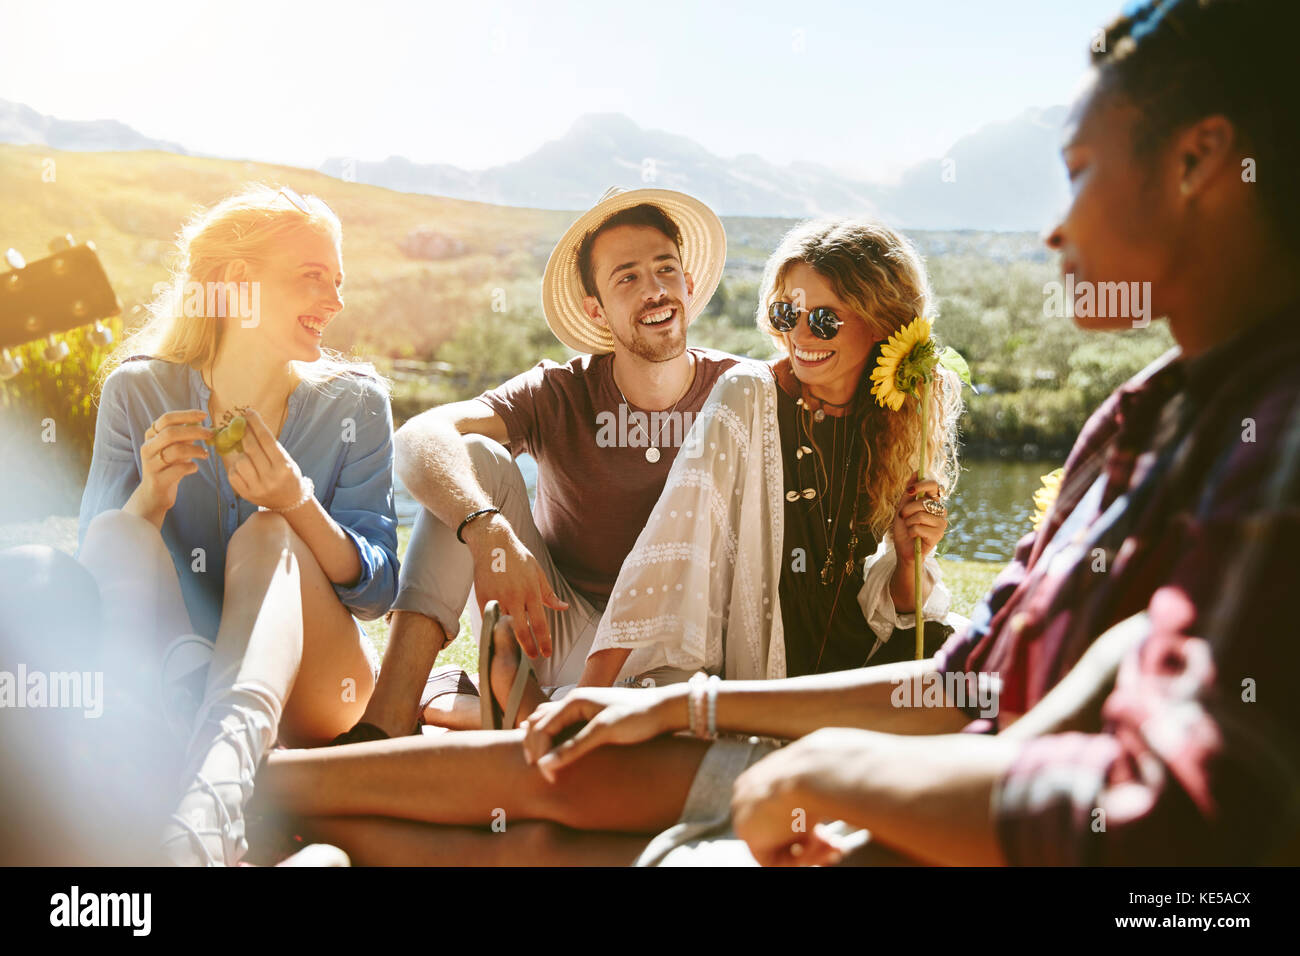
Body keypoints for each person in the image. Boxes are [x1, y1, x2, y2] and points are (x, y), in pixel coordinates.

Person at [256, 0, 1298, 866]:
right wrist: (523, 553)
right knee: (537, 714)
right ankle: (271, 786)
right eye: (783, 318)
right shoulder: (1133, 427)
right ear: (599, 304)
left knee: (549, 826)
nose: (1054, 227)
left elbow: (1175, 800)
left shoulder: (1264, 440)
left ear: (1202, 162)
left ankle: (258, 803)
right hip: (606, 655)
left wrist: (815, 756)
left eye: (1076, 170)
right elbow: (976, 678)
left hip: (869, 766)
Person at [77, 183, 399, 866]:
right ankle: (186, 791)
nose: (335, 303)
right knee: (117, 531)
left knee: (270, 533)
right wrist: (152, 501)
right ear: (236, 284)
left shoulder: (356, 404)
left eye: (338, 282)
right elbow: (95, 572)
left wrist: (297, 503)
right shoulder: (137, 393)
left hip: (316, 685)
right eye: (313, 278)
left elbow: (376, 592)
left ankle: (214, 789)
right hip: (176, 667)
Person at [347, 187, 739, 740]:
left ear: (689, 285)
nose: (653, 290)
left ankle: (493, 708)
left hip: (681, 642)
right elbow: (418, 437)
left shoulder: (739, 389)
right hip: (559, 628)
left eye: (665, 269)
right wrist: (489, 530)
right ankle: (386, 722)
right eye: (626, 277)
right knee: (470, 457)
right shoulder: (559, 389)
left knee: (656, 724)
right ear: (595, 310)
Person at [580, 218, 964, 688]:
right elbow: (670, 541)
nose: (800, 336)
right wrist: (590, 693)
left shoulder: (896, 415)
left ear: (882, 322)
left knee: (975, 673)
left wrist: (909, 559)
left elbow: (905, 611)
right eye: (787, 314)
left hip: (865, 662)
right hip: (777, 674)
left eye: (824, 320)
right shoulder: (748, 394)